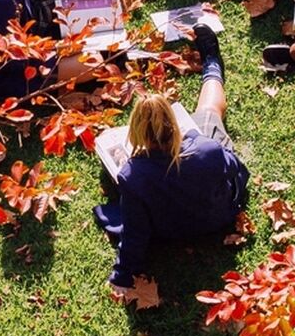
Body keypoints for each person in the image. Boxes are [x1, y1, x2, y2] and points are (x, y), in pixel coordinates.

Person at [97, 21, 249, 298]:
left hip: (169, 231)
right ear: (174, 125)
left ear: (137, 133)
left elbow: (135, 233)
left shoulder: (133, 175)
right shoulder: (208, 149)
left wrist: (122, 274)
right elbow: (238, 171)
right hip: (216, 219)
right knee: (209, 109)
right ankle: (211, 61)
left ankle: (212, 60)